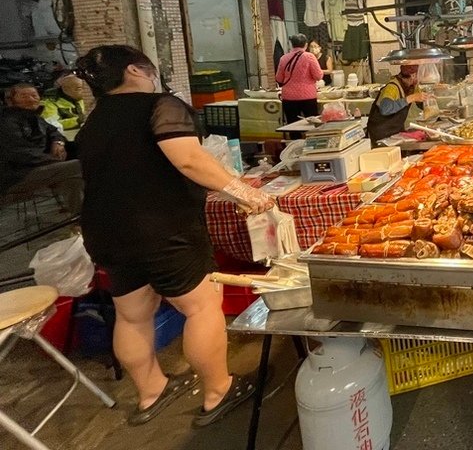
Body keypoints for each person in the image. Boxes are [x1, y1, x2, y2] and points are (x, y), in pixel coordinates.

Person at [74, 45, 274, 427]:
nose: (154, 77)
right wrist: (245, 192)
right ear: (135, 70)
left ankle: (151, 392)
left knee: (132, 316)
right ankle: (218, 391)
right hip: (162, 228)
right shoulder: (160, 105)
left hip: (107, 231)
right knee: (200, 308)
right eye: (150, 70)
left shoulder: (95, 118)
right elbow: (188, 158)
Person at [0, 83, 83, 213]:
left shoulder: (34, 117)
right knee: (79, 165)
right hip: (18, 175)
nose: (31, 99)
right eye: (24, 96)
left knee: (73, 176)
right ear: (10, 101)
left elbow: (54, 131)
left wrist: (58, 142)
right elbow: (19, 154)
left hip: (39, 168)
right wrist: (54, 160)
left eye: (34, 95)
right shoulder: (7, 122)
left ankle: (81, 218)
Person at [366, 64, 426, 146]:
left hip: (395, 133)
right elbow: (385, 109)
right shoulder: (392, 87)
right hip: (380, 135)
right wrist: (410, 98)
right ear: (413, 75)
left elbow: (420, 104)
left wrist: (429, 102)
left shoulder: (412, 86)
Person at [275, 34, 324, 123]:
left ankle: (295, 137)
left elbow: (279, 78)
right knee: (312, 125)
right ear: (306, 44)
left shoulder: (283, 58)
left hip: (288, 97)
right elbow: (318, 76)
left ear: (291, 44)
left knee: (292, 125)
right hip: (308, 96)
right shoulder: (309, 56)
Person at [41, 71, 88, 141]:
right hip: (64, 138)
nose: (85, 91)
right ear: (66, 89)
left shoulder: (85, 98)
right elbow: (52, 125)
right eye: (79, 89)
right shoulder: (49, 103)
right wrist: (78, 120)